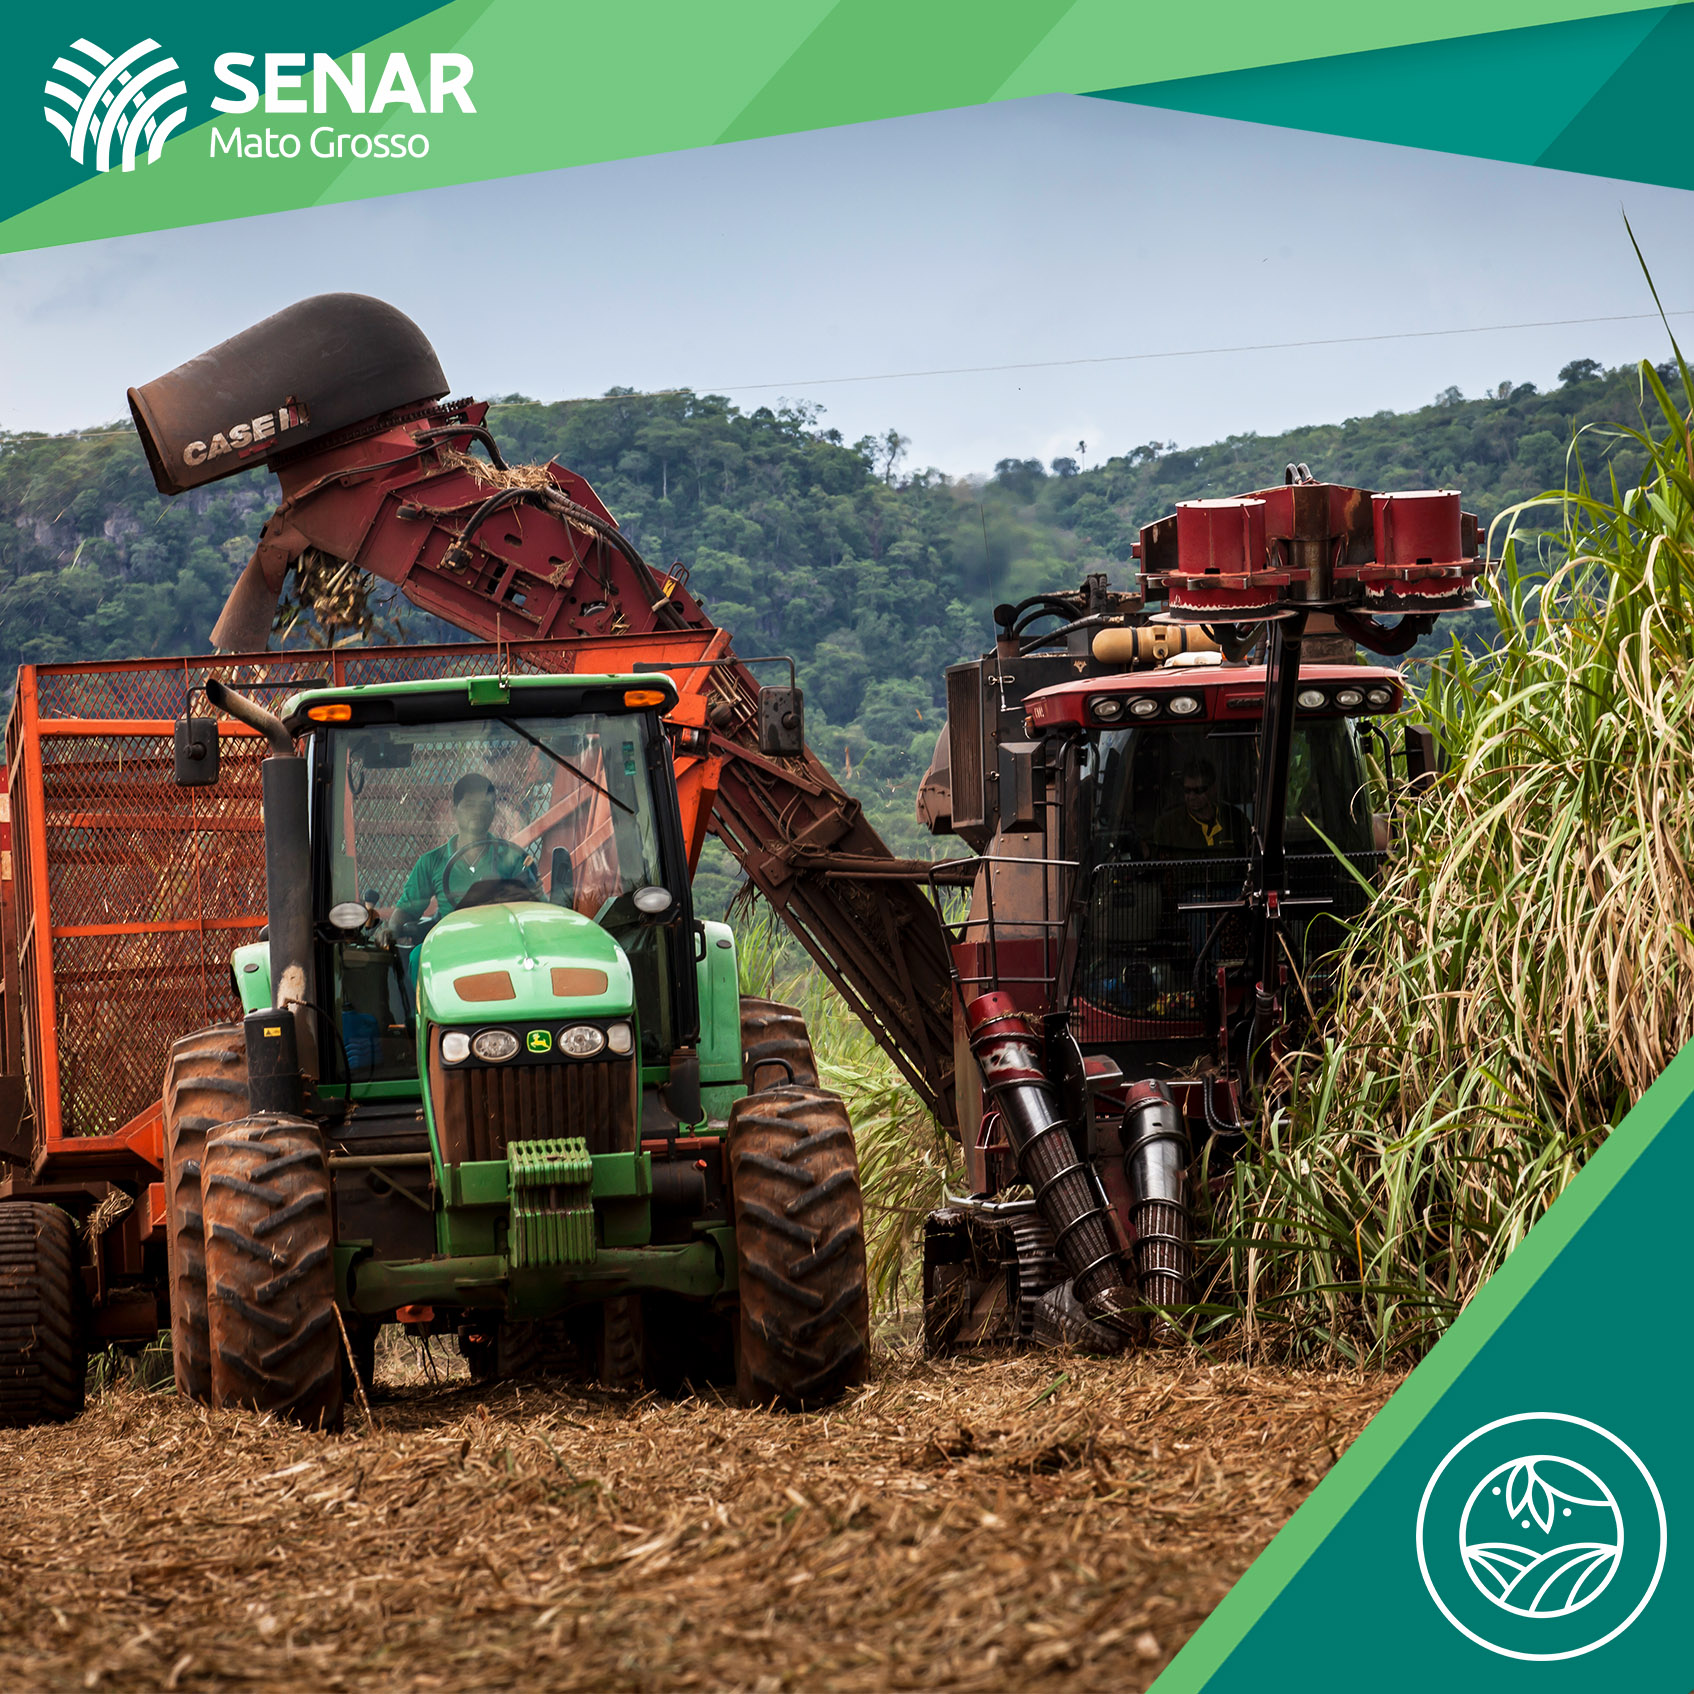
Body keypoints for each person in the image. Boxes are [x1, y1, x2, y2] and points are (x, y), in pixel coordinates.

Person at [392, 773, 538, 931]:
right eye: (469, 805)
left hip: (499, 938)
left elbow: (532, 910)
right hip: (450, 940)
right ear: (454, 811)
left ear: (493, 812)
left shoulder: (513, 858)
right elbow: (406, 911)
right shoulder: (431, 862)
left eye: (484, 806)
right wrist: (390, 933)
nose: (477, 812)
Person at [1151, 758, 1247, 856]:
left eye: (1199, 790)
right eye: (1187, 790)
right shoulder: (1167, 825)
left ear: (1213, 788)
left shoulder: (1235, 819)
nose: (1192, 797)